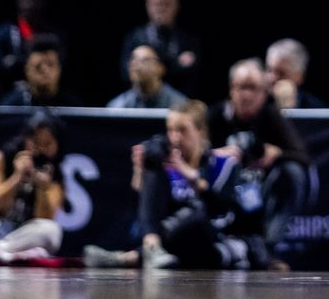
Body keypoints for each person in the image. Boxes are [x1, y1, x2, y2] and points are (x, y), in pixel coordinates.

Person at [84, 100, 266, 270]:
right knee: (153, 173)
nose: (175, 138)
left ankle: (131, 258)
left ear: (200, 131)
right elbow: (141, 214)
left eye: (182, 130)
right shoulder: (165, 168)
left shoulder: (223, 162)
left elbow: (219, 207)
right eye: (171, 130)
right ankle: (152, 247)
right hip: (174, 236)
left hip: (212, 237)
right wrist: (139, 173)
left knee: (195, 216)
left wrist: (188, 174)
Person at [209, 59, 311, 262]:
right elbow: (194, 154)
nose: (246, 95)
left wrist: (277, 154)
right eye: (241, 87)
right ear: (231, 89)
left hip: (259, 196)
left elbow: (303, 156)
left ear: (265, 93)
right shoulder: (215, 115)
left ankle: (268, 248)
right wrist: (217, 155)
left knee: (293, 172)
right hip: (222, 195)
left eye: (253, 88)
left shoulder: (271, 116)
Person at [0, 110, 65, 263]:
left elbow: (45, 219)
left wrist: (42, 187)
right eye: (36, 142)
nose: (41, 149)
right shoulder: (1, 158)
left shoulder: (54, 172)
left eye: (47, 144)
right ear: (26, 139)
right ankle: (3, 253)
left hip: (20, 237)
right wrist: (17, 177)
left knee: (52, 232)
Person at [120, 0, 201, 98]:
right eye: (156, 3)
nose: (161, 8)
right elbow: (126, 74)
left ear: (177, 5)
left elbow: (194, 76)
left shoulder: (189, 40)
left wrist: (151, 69)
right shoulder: (134, 38)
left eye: (166, 3)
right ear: (147, 5)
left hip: (179, 104)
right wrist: (176, 65)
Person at [0, 0, 63, 104]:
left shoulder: (52, 36)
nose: (28, 2)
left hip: (49, 95)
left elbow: (59, 64)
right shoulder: (3, 34)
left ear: (42, 1)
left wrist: (15, 62)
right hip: (12, 95)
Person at [0, 38, 81, 108]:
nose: (45, 71)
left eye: (50, 65)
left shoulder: (73, 107)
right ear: (27, 70)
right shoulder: (11, 106)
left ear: (59, 70)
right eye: (38, 67)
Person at [107, 44, 188, 109]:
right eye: (133, 59)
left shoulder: (179, 105)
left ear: (160, 68)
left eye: (144, 60)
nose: (136, 65)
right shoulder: (117, 107)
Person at [265, 38, 325, 109]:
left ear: (300, 77)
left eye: (281, 73)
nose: (271, 78)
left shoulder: (315, 110)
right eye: (269, 70)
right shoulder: (256, 103)